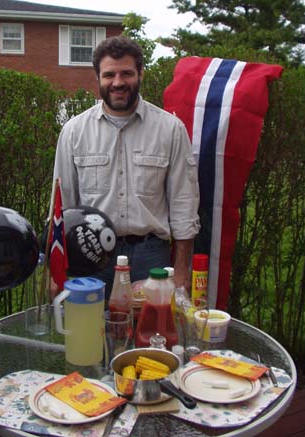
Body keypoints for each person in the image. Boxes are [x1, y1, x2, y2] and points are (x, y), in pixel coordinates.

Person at [52, 35, 200, 299]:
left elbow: (184, 205)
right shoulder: (74, 132)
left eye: (126, 73)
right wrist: (56, 274)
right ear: (97, 77)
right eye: (109, 74)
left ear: (141, 73)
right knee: (94, 333)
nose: (118, 82)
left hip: (151, 257)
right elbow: (62, 210)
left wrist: (180, 274)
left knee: (152, 335)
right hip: (92, 255)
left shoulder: (170, 130)